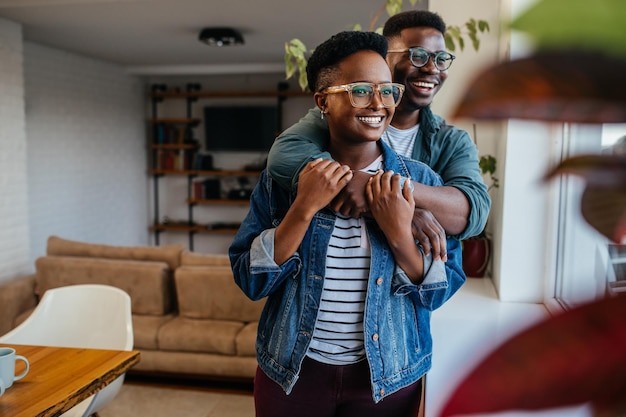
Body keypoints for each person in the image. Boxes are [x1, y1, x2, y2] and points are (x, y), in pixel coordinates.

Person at [229, 30, 465, 417]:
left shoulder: (421, 182)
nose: (378, 103)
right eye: (360, 90)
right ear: (322, 101)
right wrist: (304, 208)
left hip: (387, 378)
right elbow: (250, 279)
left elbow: (439, 292)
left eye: (388, 91)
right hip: (290, 374)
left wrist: (399, 233)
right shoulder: (284, 182)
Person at [267, 10, 490, 262]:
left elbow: (473, 213)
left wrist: (386, 194)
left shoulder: (452, 141)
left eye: (441, 59)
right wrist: (390, 208)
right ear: (384, 59)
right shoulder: (337, 115)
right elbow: (283, 154)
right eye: (417, 56)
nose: (431, 68)